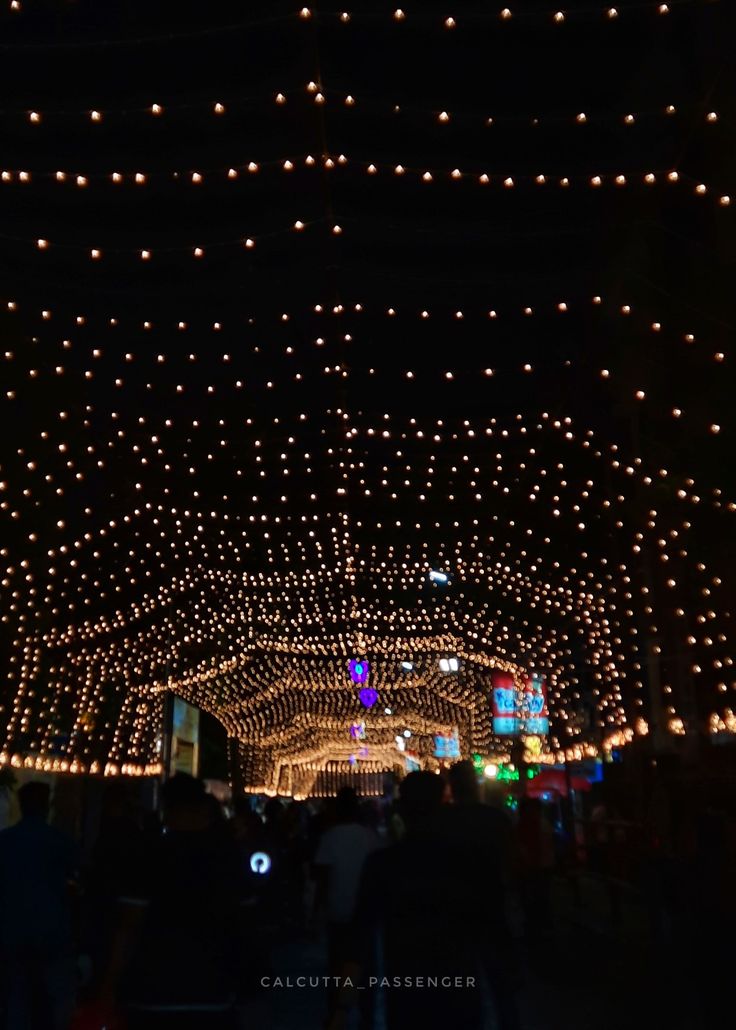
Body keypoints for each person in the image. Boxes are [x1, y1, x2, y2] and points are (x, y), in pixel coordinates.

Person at [331, 772, 485, 1030]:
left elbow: (358, 942)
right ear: (444, 807)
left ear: (401, 809)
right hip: (460, 989)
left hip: (406, 992)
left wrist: (342, 1007)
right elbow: (490, 929)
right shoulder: (468, 861)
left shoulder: (383, 865)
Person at [99, 773, 244, 1030]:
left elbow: (128, 927)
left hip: (154, 987)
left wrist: (109, 985)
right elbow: (243, 921)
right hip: (212, 986)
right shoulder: (227, 857)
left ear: (167, 809)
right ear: (204, 809)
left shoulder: (148, 854)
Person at [0, 780, 79, 1030]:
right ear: (46, 806)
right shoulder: (58, 841)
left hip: (12, 931)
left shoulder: (6, 841)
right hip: (51, 932)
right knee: (54, 999)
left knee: (16, 997)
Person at [313, 788, 379, 1024]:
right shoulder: (370, 836)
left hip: (338, 909)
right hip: (364, 912)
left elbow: (323, 876)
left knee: (337, 966)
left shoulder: (330, 837)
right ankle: (365, 1013)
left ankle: (336, 1013)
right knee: (365, 967)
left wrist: (316, 911)